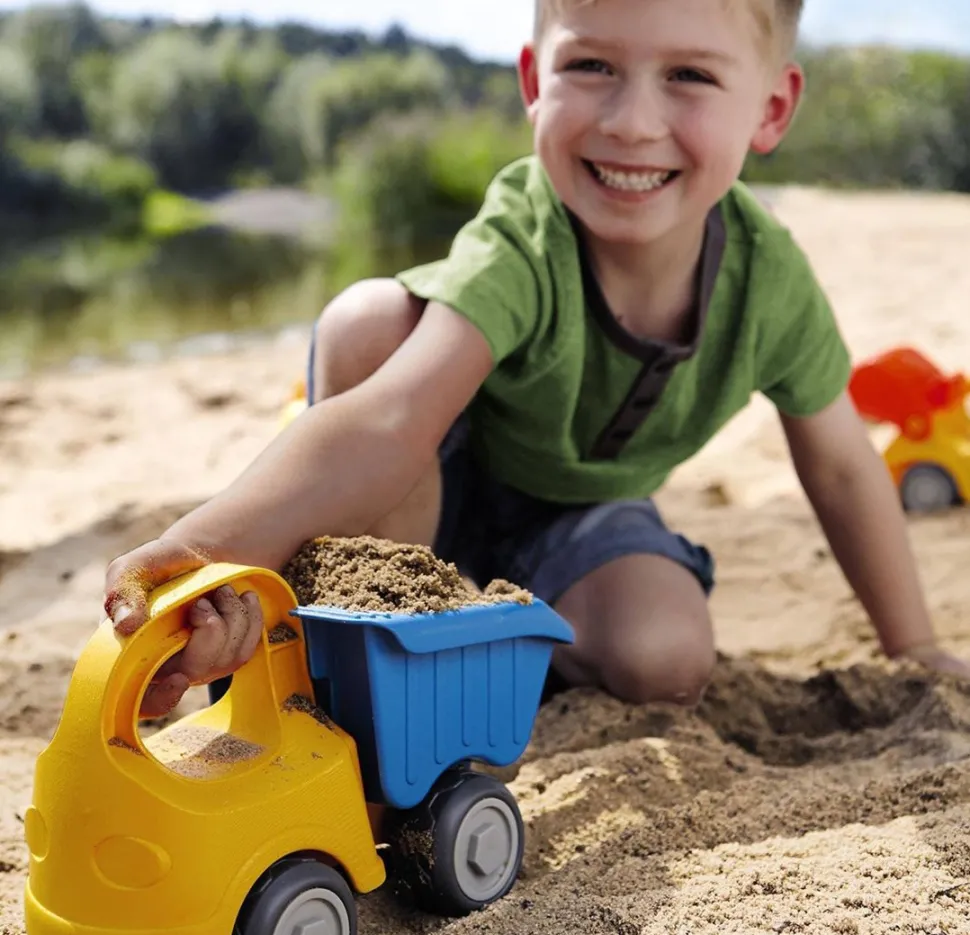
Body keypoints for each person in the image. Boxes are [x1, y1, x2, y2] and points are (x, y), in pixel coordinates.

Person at [104, 0, 970, 720]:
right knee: (371, 322)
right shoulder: (526, 232)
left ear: (771, 110)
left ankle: (487, 637)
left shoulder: (767, 281)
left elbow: (847, 469)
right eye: (591, 66)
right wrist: (198, 552)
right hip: (423, 481)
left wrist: (914, 647)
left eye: (691, 75)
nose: (632, 122)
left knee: (666, 659)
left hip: (579, 509)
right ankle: (336, 632)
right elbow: (394, 421)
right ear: (533, 81)